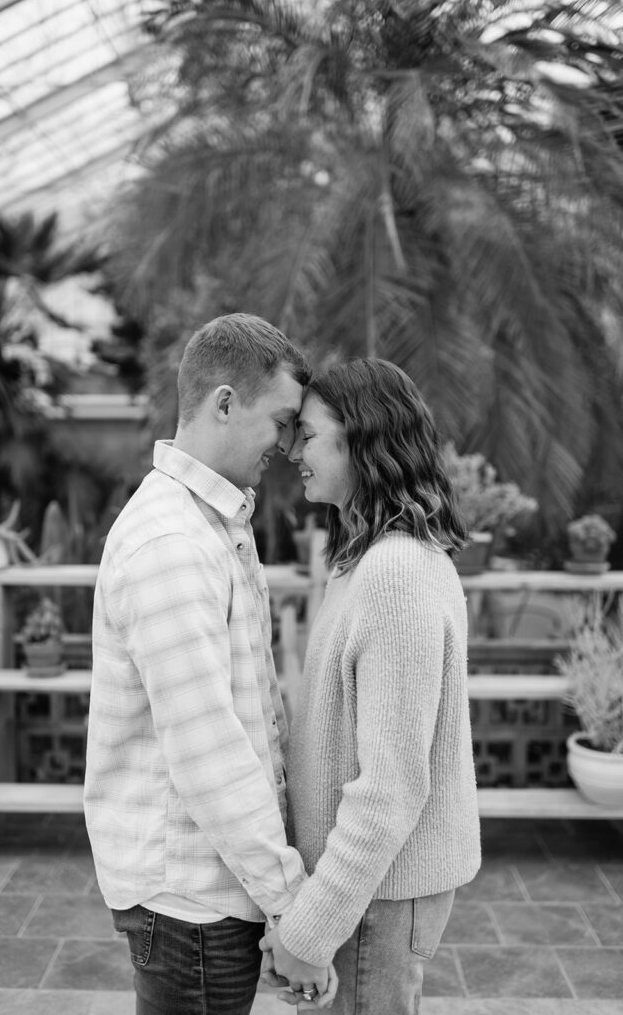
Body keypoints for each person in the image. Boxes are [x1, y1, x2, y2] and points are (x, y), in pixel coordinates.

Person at [83, 314, 335, 1015]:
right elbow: (209, 753)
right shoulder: (171, 540)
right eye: (281, 422)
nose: (287, 446)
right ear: (224, 403)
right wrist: (292, 907)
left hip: (209, 893)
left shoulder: (207, 521)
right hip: (191, 906)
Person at [262, 358, 481, 1015]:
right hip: (365, 894)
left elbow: (390, 788)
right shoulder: (366, 562)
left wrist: (309, 932)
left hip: (376, 901)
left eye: (308, 435)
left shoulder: (396, 576)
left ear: (362, 439)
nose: (292, 452)